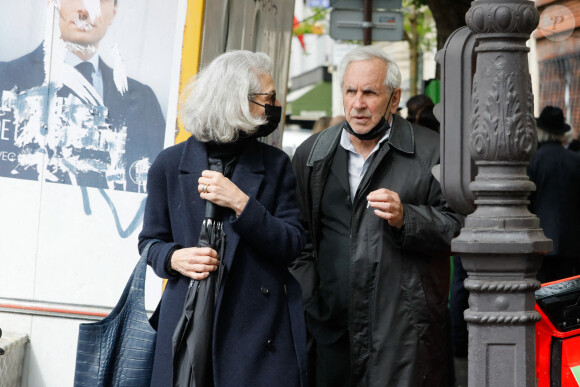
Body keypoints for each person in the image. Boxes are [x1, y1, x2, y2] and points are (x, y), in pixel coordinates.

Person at [290, 46, 463, 386]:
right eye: (350, 91)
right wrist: (314, 301)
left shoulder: (433, 151)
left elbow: (459, 228)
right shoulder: (313, 154)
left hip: (405, 339)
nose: (357, 103)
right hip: (331, 332)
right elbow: (298, 239)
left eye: (370, 92)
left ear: (394, 98)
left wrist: (406, 218)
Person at [138, 50, 308, 386]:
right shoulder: (170, 165)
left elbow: (293, 244)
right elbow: (149, 243)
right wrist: (175, 257)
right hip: (185, 328)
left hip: (256, 335)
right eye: (268, 97)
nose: (275, 105)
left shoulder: (275, 165)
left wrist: (244, 205)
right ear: (237, 102)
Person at [0, 0, 165, 192]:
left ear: (113, 11)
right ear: (51, 4)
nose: (86, 10)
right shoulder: (5, 80)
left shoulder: (143, 100)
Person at [527, 106, 580, 283]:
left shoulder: (534, 160)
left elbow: (528, 199)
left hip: (540, 239)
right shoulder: (575, 160)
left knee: (541, 292)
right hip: (571, 241)